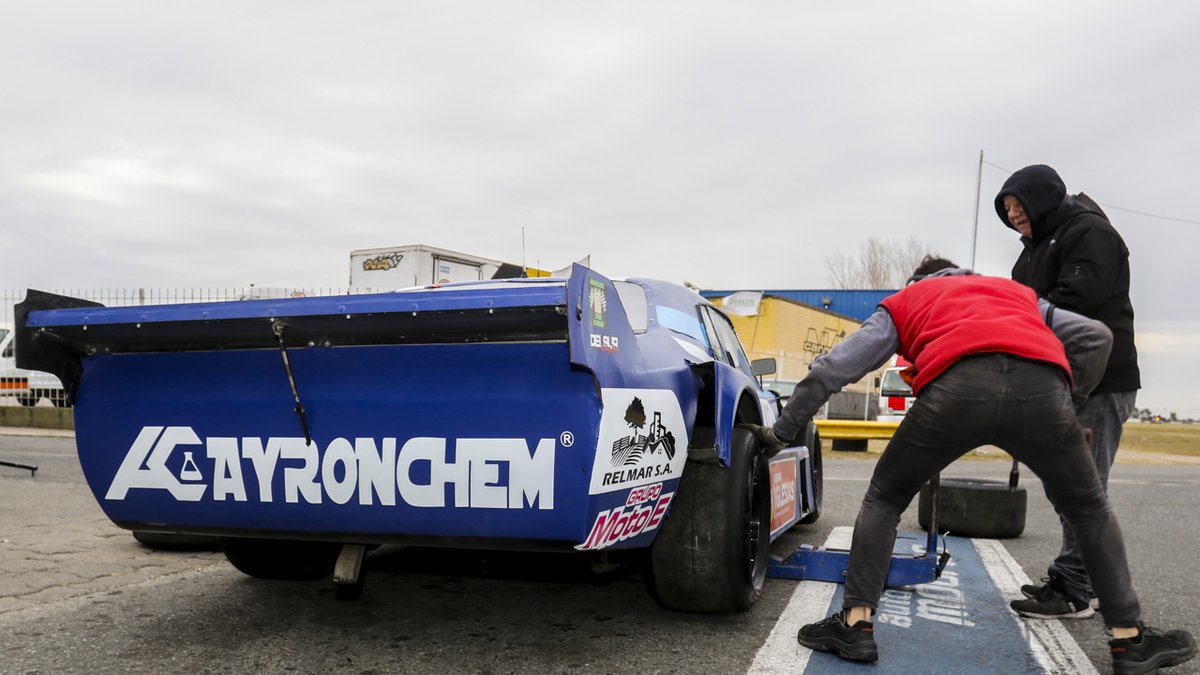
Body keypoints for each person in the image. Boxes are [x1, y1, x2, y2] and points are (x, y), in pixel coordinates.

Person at [741, 257, 1194, 675]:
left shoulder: (908, 300)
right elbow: (1097, 338)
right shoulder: (1014, 293)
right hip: (1043, 391)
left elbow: (831, 369)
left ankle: (856, 625)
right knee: (1089, 508)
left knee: (885, 498)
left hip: (955, 390)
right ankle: (1128, 640)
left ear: (918, 282)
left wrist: (782, 432)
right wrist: (1070, 404)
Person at [995, 164, 1141, 619]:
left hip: (1101, 382)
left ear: (1040, 198)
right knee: (1064, 484)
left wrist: (1018, 319)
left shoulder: (1089, 232)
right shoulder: (1032, 250)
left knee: (1084, 487)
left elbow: (1077, 301)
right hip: (1060, 380)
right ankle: (1074, 575)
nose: (1014, 215)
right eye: (1007, 209)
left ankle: (1076, 589)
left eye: (1018, 205)